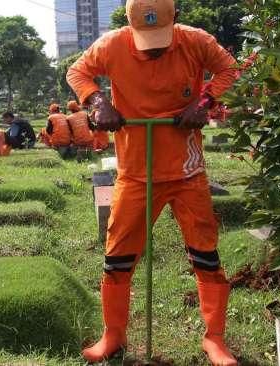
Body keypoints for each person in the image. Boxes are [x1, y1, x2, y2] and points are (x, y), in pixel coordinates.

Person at [66, 0, 237, 364]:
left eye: (161, 37)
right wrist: (97, 101)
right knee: (117, 258)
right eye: (147, 39)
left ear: (174, 19)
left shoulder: (196, 41)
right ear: (130, 27)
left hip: (186, 172)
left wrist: (205, 101)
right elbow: (77, 73)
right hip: (135, 172)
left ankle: (215, 338)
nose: (155, 47)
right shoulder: (110, 45)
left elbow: (229, 70)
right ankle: (113, 335)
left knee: (205, 255)